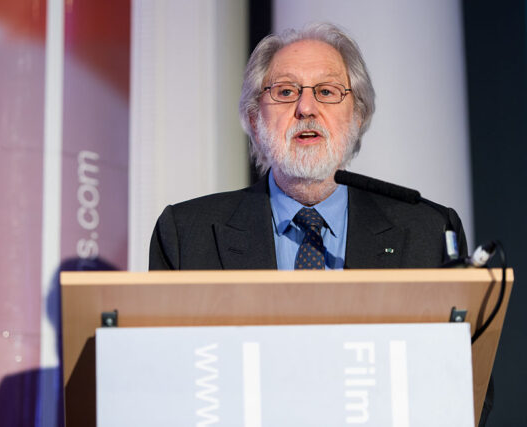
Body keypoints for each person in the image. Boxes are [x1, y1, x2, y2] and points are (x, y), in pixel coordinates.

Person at [149, 22, 467, 271]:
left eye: (326, 92)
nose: (306, 108)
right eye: (286, 92)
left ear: (358, 116)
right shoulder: (186, 234)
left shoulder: (429, 231)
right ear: (254, 120)